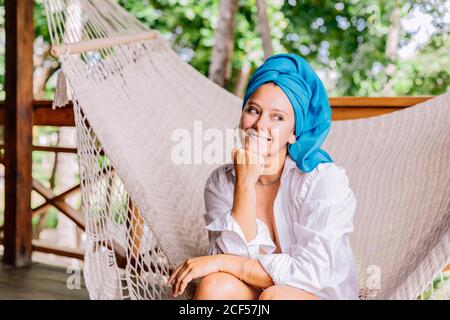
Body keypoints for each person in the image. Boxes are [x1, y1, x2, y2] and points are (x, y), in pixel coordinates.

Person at [168, 53, 359, 300]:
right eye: (253, 110)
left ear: (294, 133)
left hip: (317, 295)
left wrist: (233, 265)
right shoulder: (221, 182)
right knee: (215, 286)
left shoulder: (324, 180)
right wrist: (245, 183)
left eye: (277, 117)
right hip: (257, 291)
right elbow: (230, 259)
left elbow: (312, 274)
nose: (259, 125)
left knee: (276, 297)